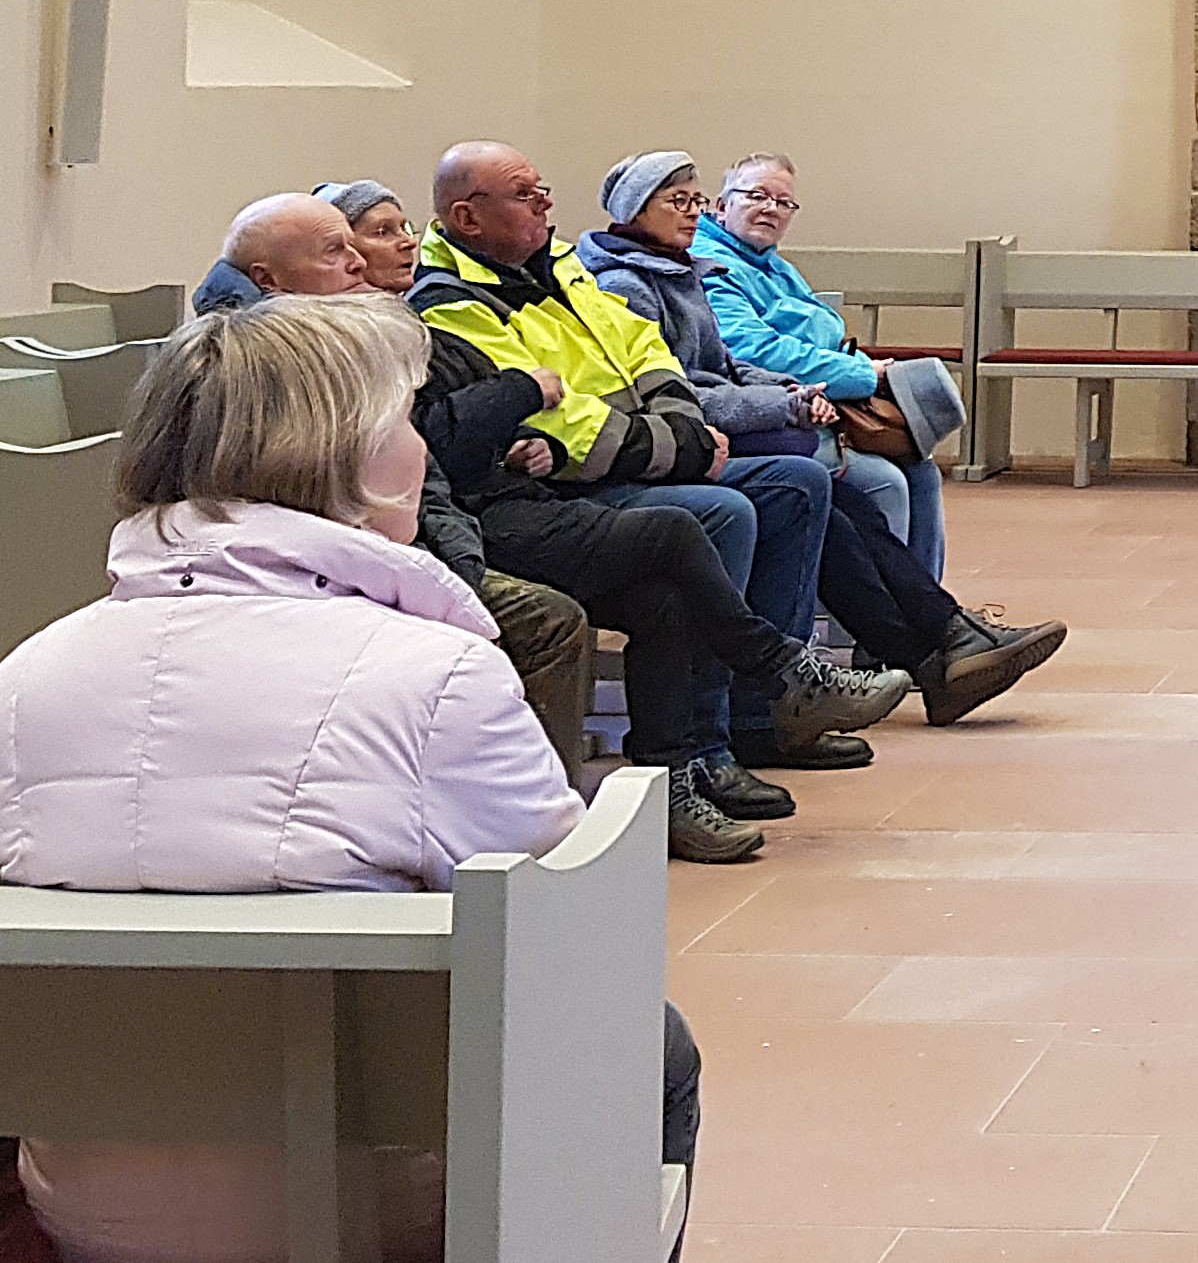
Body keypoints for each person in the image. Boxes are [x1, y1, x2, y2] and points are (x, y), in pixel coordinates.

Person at [0, 292, 699, 1263]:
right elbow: (565, 947)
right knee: (653, 1041)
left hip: (90, 1198)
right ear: (359, 459)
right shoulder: (438, 675)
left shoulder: (28, 672)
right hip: (362, 1198)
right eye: (408, 421)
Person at [410, 142, 904, 778]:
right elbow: (552, 417)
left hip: (641, 452)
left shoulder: (560, 267)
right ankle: (712, 745)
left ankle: (773, 714)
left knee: (799, 484)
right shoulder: (453, 303)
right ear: (468, 217)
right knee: (720, 514)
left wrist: (684, 428)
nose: (546, 202)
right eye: (524, 194)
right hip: (565, 482)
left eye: (543, 187)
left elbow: (649, 354)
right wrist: (687, 446)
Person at [579, 152, 1065, 723]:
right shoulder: (631, 285)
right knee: (822, 485)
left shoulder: (683, 267)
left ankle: (942, 643)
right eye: (679, 202)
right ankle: (917, 655)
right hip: (675, 446)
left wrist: (789, 390)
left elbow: (732, 365)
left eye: (695, 200)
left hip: (733, 423)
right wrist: (790, 399)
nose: (693, 212)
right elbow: (675, 389)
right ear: (637, 210)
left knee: (875, 485)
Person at [190, 192, 595, 781]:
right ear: (268, 279)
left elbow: (421, 477)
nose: (359, 263)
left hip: (392, 546)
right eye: (337, 251)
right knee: (548, 617)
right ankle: (519, 816)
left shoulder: (343, 335)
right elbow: (326, 513)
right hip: (317, 571)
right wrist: (449, 578)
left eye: (358, 247)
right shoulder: (262, 369)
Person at [696, 151, 947, 580]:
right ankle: (881, 637)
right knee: (886, 480)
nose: (771, 209)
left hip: (819, 405)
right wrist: (866, 375)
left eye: (783, 202)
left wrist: (864, 366)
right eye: (757, 195)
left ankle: (936, 619)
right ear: (722, 205)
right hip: (760, 416)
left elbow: (822, 339)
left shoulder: (774, 266)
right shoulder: (711, 264)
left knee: (921, 471)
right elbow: (754, 351)